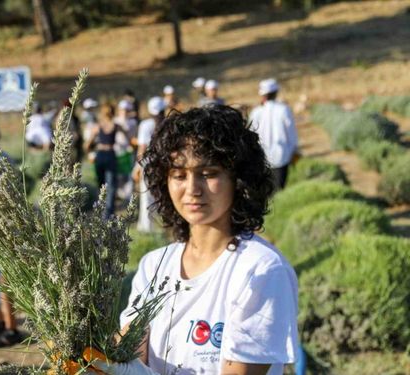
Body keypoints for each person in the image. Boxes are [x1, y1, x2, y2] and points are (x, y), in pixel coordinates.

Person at [93, 105, 298, 375]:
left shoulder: (260, 270)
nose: (192, 189)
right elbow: (131, 349)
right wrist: (89, 356)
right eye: (179, 175)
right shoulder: (155, 265)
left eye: (209, 173)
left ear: (238, 179)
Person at [249, 78, 298, 189]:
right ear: (276, 93)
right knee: (279, 190)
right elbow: (291, 134)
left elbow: (251, 136)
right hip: (281, 157)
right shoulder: (284, 110)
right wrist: (294, 150)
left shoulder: (256, 113)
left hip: (261, 158)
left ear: (263, 95)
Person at [84, 104, 127, 219]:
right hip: (110, 154)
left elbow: (87, 144)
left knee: (101, 184)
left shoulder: (98, 126)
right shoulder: (116, 126)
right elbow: (127, 136)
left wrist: (89, 151)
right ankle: (108, 214)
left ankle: (100, 209)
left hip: (100, 155)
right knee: (111, 185)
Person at [132, 96, 165, 233]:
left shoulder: (145, 125)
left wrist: (137, 167)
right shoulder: (167, 123)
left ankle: (147, 228)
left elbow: (142, 149)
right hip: (164, 163)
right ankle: (161, 225)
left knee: (147, 196)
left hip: (148, 164)